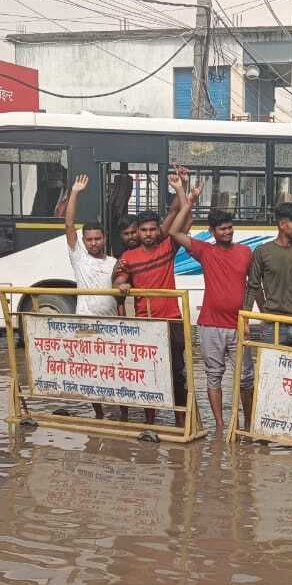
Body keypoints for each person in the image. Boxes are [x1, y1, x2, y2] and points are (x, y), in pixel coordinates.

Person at [113, 172, 196, 427]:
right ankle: (150, 422)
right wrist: (123, 284)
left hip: (171, 321)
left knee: (176, 373)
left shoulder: (167, 247)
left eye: (152, 229)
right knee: (149, 374)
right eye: (143, 230)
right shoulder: (129, 256)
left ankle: (180, 422)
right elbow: (118, 281)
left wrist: (181, 190)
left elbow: (186, 220)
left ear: (157, 229)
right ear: (137, 232)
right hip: (145, 323)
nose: (148, 234)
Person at [169, 208, 253, 431]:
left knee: (245, 378)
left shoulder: (245, 252)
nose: (227, 232)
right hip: (211, 324)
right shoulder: (205, 251)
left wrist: (252, 318)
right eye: (222, 229)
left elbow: (253, 287)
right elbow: (175, 231)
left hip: (239, 324)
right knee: (214, 376)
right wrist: (185, 200)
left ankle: (247, 424)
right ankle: (219, 424)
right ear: (212, 231)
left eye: (230, 227)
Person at [62, 173, 117, 420]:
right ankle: (98, 414)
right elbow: (68, 225)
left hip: (112, 326)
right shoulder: (79, 258)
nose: (93, 243)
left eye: (97, 238)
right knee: (92, 372)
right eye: (89, 239)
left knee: (115, 370)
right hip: (86, 325)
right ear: (83, 242)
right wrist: (75, 192)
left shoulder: (115, 263)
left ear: (104, 239)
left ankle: (118, 411)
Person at [244, 204, 292, 348]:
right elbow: (252, 287)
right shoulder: (262, 252)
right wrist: (245, 321)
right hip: (272, 327)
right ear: (282, 224)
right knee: (270, 370)